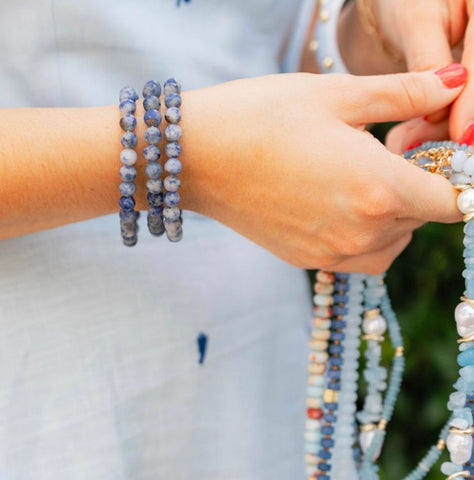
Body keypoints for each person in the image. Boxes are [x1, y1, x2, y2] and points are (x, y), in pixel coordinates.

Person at [0, 1, 472, 479]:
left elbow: (266, 48)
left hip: (259, 385)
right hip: (48, 403)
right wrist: (185, 157)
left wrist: (380, 28)